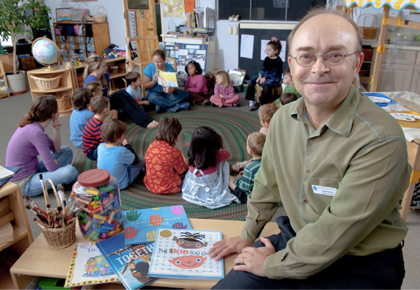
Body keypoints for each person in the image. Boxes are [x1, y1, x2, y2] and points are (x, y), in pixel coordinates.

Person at [210, 8, 410, 289]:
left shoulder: (381, 139)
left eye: (335, 55)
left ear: (357, 63)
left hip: (360, 262)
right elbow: (267, 185)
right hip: (298, 236)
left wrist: (271, 264)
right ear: (291, 65)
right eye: (306, 56)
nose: (319, 68)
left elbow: (336, 233)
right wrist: (247, 234)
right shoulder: (281, 119)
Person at [5, 95, 79, 197]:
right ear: (53, 114)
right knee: (71, 171)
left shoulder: (34, 125)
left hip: (32, 168)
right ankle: (58, 180)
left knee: (66, 151)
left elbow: (56, 150)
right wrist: (54, 162)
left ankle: (56, 179)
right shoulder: (35, 132)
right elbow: (51, 167)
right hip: (23, 183)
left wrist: (56, 130)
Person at [83, 55, 156, 128]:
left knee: (122, 93)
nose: (106, 67)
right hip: (98, 106)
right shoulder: (90, 82)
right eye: (104, 66)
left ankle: (147, 119)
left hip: (105, 101)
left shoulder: (106, 76)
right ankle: (144, 121)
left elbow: (106, 94)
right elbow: (91, 104)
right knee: (120, 96)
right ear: (96, 68)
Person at [182, 126, 240, 209]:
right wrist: (219, 150)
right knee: (224, 162)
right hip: (211, 188)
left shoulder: (192, 152)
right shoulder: (216, 155)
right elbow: (227, 154)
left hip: (193, 188)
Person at [143, 116, 188, 194]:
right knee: (191, 172)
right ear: (174, 136)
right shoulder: (174, 151)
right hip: (167, 187)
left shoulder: (151, 145)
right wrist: (186, 161)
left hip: (151, 185)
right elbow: (182, 170)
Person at [98, 119, 145, 190]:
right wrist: (127, 146)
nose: (124, 136)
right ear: (118, 137)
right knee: (141, 159)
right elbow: (135, 161)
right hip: (121, 184)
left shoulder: (100, 146)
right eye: (123, 134)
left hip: (105, 183)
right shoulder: (121, 151)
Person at [231, 103, 277, 172]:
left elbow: (260, 148)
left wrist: (262, 134)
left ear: (266, 123)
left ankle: (249, 165)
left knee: (256, 151)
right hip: (276, 157)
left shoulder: (265, 132)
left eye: (260, 119)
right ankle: (248, 163)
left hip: (268, 159)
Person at [245, 37, 283, 111]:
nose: (267, 52)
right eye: (266, 50)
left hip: (273, 78)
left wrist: (265, 78)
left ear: (276, 51)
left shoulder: (278, 61)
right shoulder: (267, 59)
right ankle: (252, 100)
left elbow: (275, 73)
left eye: (269, 50)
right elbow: (264, 69)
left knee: (266, 86)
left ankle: (263, 104)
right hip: (264, 75)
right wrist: (260, 76)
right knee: (252, 82)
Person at [229, 132, 266, 204]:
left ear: (250, 151)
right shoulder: (269, 162)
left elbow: (245, 187)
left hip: (251, 197)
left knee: (230, 179)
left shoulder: (249, 168)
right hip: (267, 192)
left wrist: (238, 179)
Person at [82, 96, 111, 160]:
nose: (110, 109)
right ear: (105, 111)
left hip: (95, 146)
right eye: (109, 107)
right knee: (112, 146)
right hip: (92, 152)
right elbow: (106, 140)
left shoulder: (95, 119)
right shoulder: (96, 125)